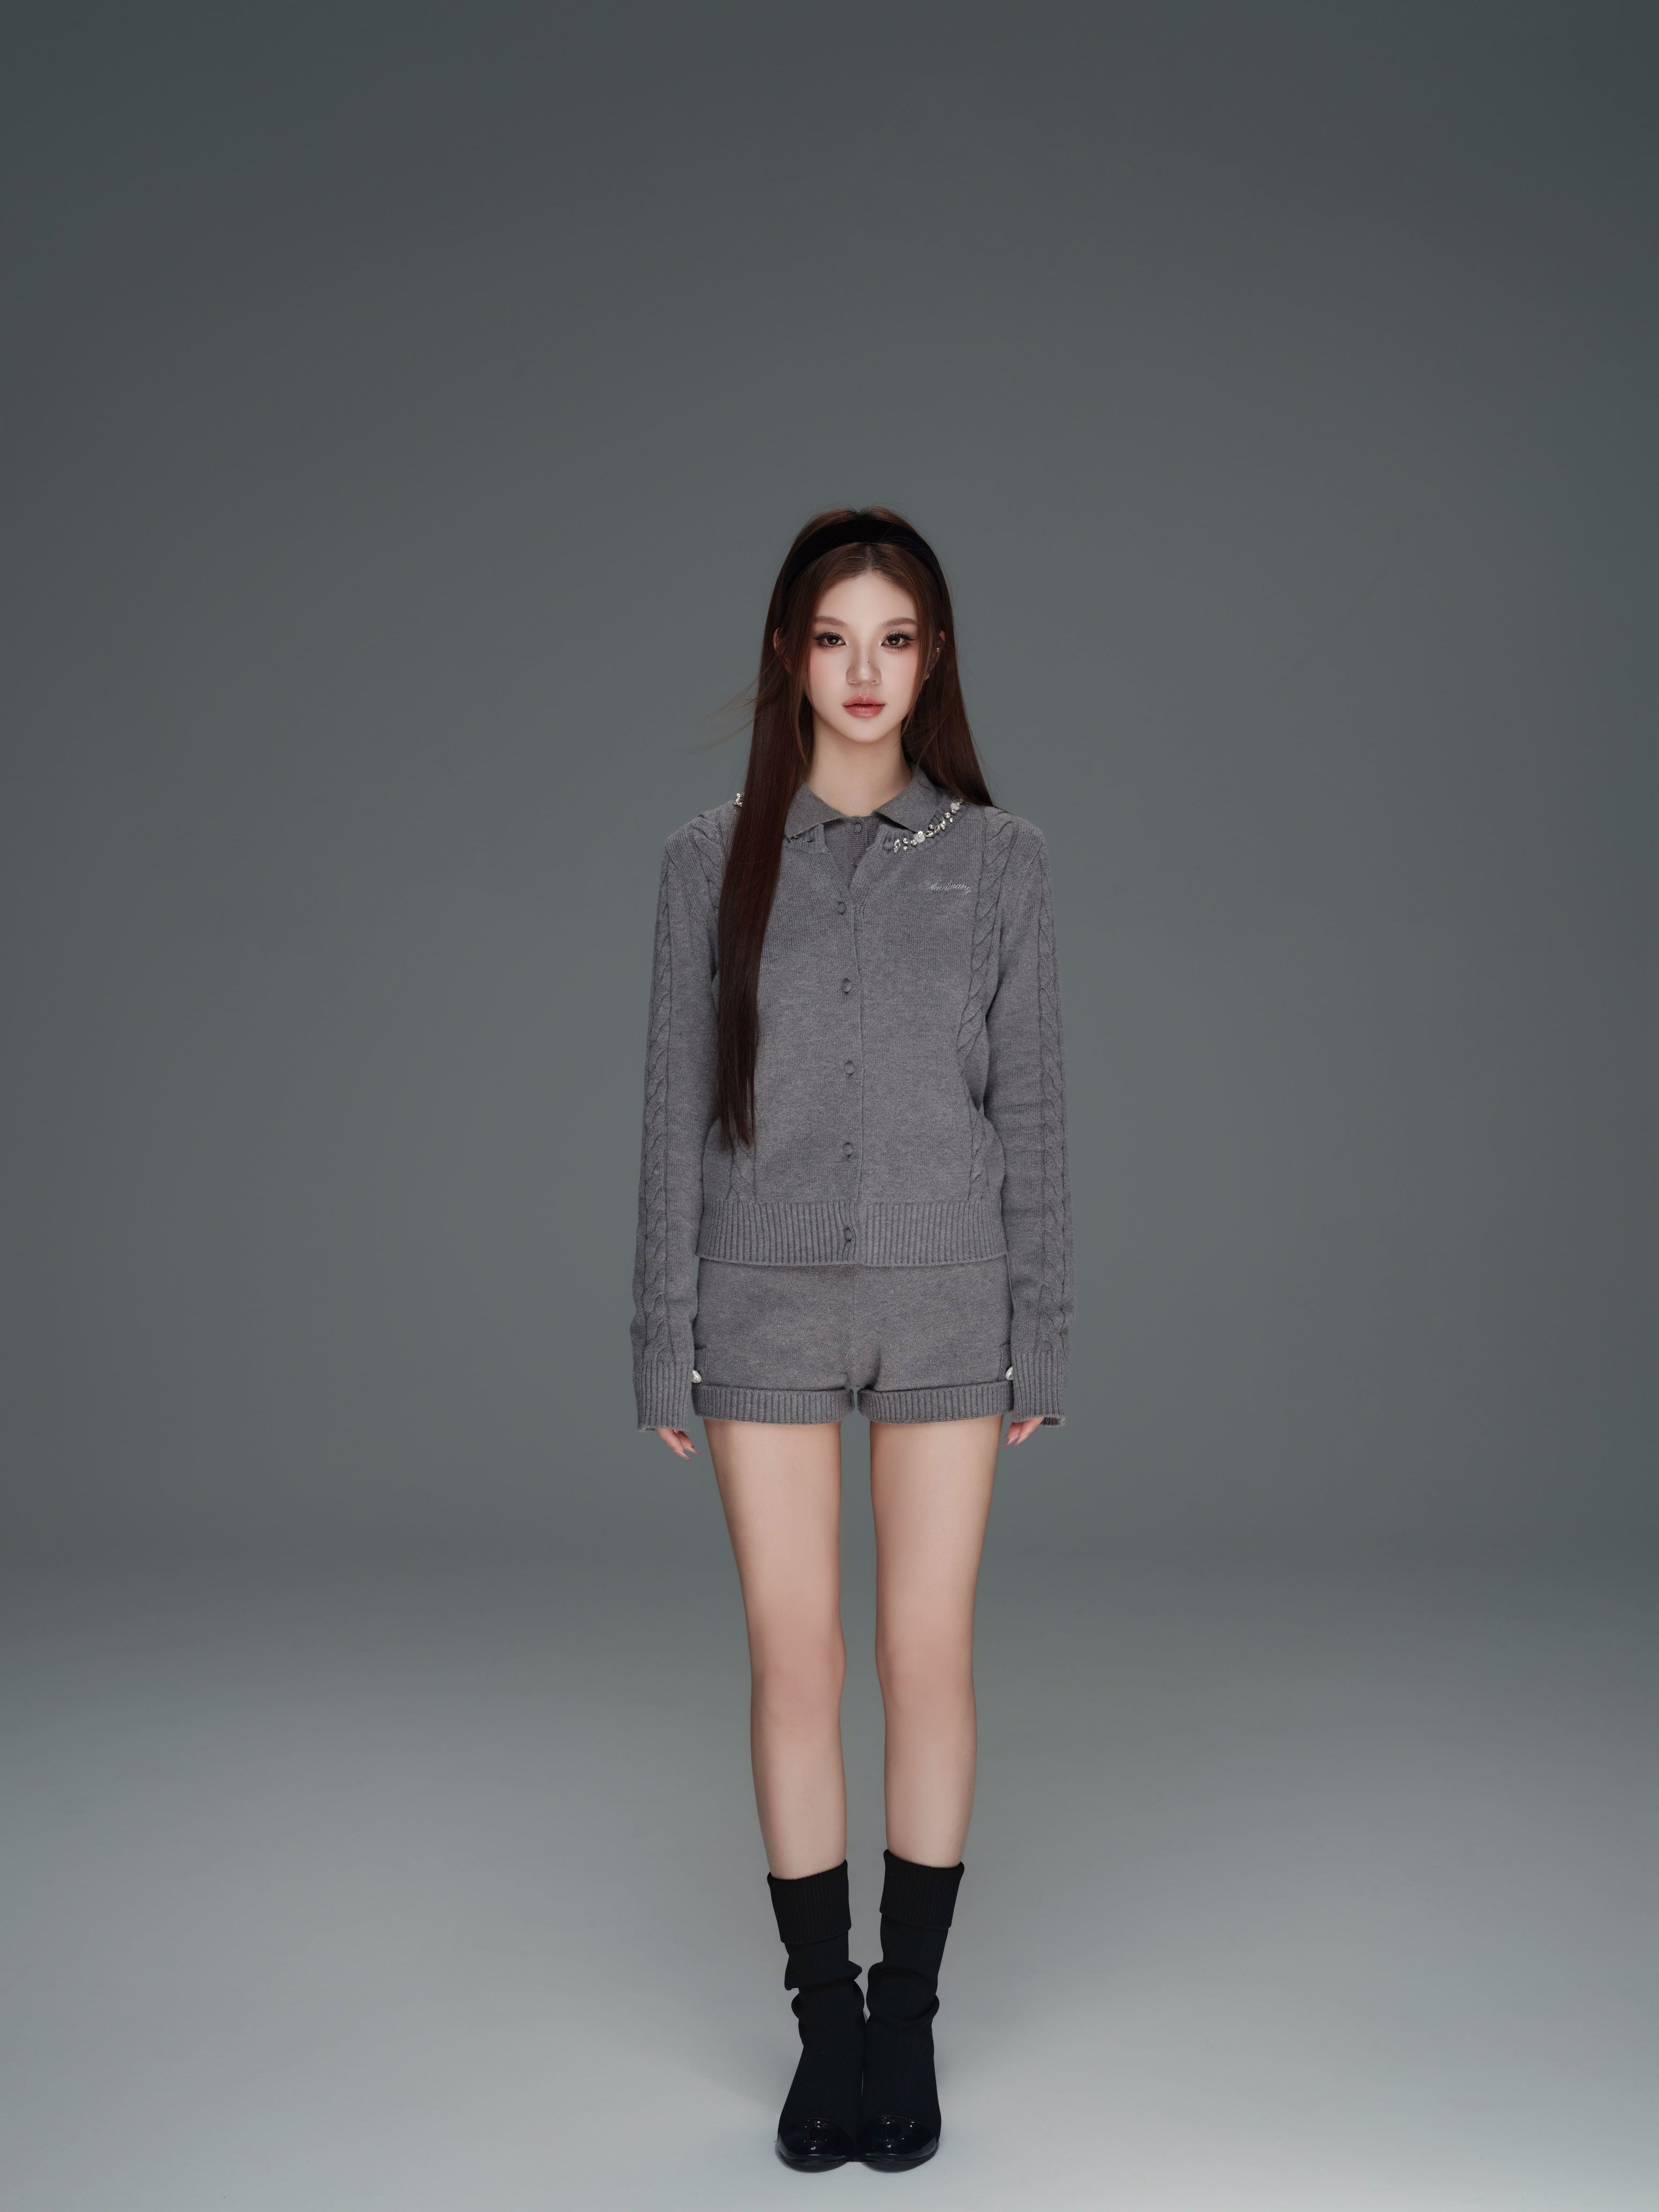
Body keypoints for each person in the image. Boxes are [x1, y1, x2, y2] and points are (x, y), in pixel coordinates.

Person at [629, 507, 1072, 2170]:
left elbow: (1033, 1115)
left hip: (950, 1298)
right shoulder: (710, 860)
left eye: (894, 639)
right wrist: (662, 1331)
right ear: (789, 658)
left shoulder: (1004, 862)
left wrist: (1043, 1330)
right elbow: (675, 1111)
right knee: (797, 1661)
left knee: (927, 1655)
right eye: (835, 639)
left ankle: (909, 2020)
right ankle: (826, 2022)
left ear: (933, 659)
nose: (865, 672)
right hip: (761, 1301)